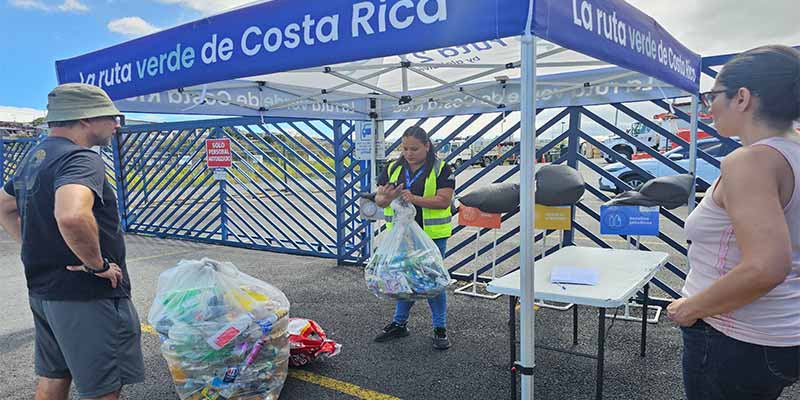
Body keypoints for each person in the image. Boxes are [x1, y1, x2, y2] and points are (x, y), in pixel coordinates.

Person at [667, 45, 800, 399]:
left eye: (713, 96)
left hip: (735, 336)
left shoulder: (750, 161)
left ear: (742, 98)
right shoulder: (793, 152)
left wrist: (688, 308)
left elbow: (767, 266)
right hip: (782, 332)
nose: (709, 107)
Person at [0, 83, 145, 400]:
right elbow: (72, 215)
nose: (117, 124)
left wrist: (35, 246)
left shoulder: (37, 155)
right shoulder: (81, 159)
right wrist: (98, 266)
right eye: (110, 116)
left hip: (44, 290)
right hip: (87, 295)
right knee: (103, 387)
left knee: (54, 376)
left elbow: (5, 205)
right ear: (85, 119)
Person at [373, 126, 455, 350]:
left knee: (432, 282)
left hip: (431, 236)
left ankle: (440, 328)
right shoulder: (392, 167)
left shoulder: (442, 169)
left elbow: (443, 201)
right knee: (402, 279)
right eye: (405, 148)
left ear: (427, 146)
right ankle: (400, 324)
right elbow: (379, 200)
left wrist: (414, 198)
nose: (409, 154)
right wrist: (385, 197)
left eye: (415, 149)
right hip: (400, 236)